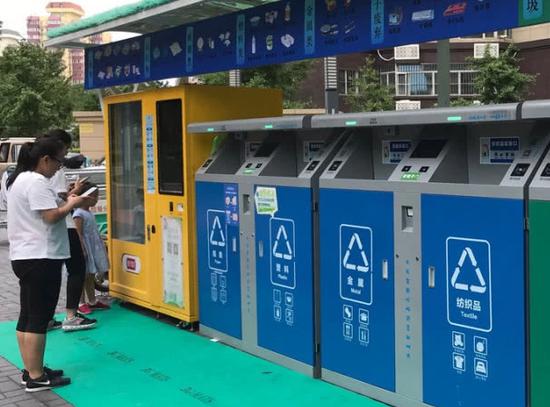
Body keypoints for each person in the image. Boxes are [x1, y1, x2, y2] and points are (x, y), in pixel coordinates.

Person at [6, 138, 89, 392]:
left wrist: (64, 197)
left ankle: (32, 369)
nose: (58, 167)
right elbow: (51, 216)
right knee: (39, 318)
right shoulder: (36, 181)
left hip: (24, 256)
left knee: (28, 315)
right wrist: (73, 203)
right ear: (45, 160)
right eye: (58, 161)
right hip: (41, 256)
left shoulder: (19, 179)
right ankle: (37, 376)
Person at [43, 129, 97, 332]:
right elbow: (59, 200)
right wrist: (74, 194)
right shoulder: (54, 170)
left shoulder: (32, 173)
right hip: (63, 226)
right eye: (65, 149)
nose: (64, 156)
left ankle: (47, 317)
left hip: (52, 230)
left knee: (52, 273)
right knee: (77, 268)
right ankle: (71, 315)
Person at [72, 182, 110, 314]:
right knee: (82, 276)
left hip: (92, 247)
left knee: (90, 275)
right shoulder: (79, 214)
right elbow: (78, 233)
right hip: (85, 248)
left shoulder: (87, 212)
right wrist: (82, 249)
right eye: (95, 196)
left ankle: (92, 301)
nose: (97, 199)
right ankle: (80, 302)